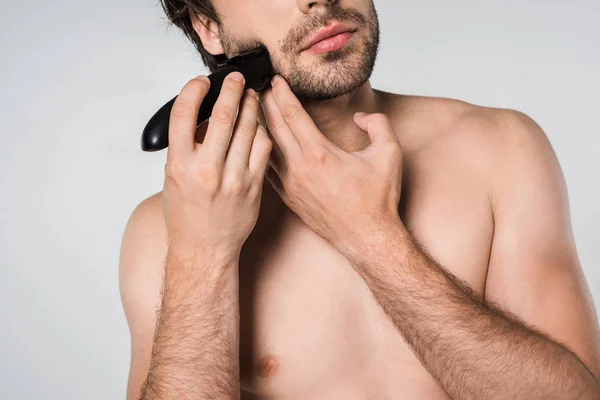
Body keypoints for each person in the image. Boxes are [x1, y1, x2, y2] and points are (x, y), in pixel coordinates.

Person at [118, 0, 600, 399]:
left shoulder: (500, 149)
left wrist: (372, 237)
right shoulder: (164, 231)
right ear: (209, 27)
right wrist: (202, 257)